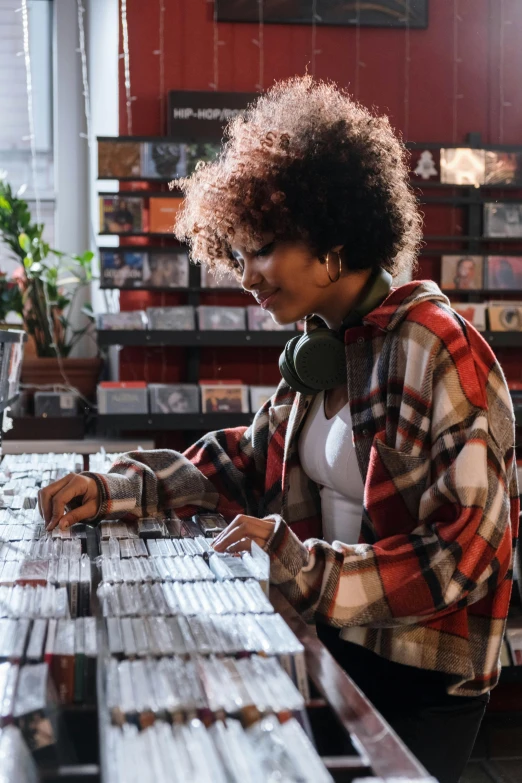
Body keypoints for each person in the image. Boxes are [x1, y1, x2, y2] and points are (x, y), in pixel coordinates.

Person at [38, 77, 518, 783]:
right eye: (238, 255)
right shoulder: (320, 346)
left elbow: (464, 555)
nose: (249, 277)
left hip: (421, 676)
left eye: (261, 249)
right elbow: (246, 458)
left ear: (333, 239)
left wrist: (300, 564)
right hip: (336, 643)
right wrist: (117, 485)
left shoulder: (435, 347)